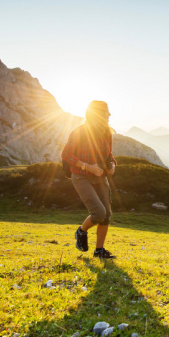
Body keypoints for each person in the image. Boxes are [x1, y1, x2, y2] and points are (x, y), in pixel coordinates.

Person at [61, 101, 117, 259]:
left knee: (107, 214)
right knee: (99, 212)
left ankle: (99, 251)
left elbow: (109, 155)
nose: (109, 115)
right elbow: (66, 154)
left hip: (100, 177)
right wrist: (87, 166)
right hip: (81, 176)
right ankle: (81, 231)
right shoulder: (79, 131)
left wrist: (112, 164)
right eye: (106, 112)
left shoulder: (107, 133)